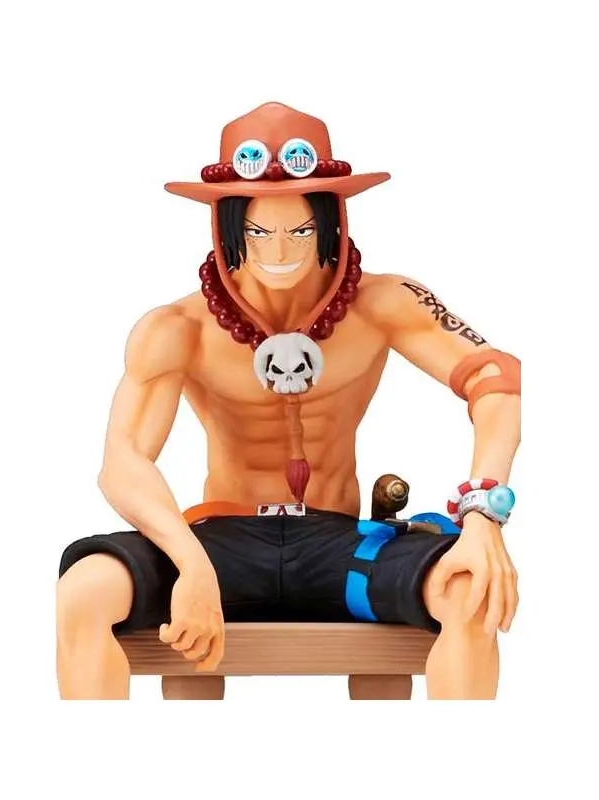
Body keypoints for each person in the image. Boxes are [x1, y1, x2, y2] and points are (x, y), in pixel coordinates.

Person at [56, 102, 521, 700]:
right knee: (84, 590)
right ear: (227, 229)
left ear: (331, 223)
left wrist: (482, 515)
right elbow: (121, 461)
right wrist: (189, 562)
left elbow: (497, 380)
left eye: (299, 231)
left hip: (344, 546)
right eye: (258, 232)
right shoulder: (177, 329)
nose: (279, 251)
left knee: (471, 587)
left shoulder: (384, 303)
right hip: (219, 542)